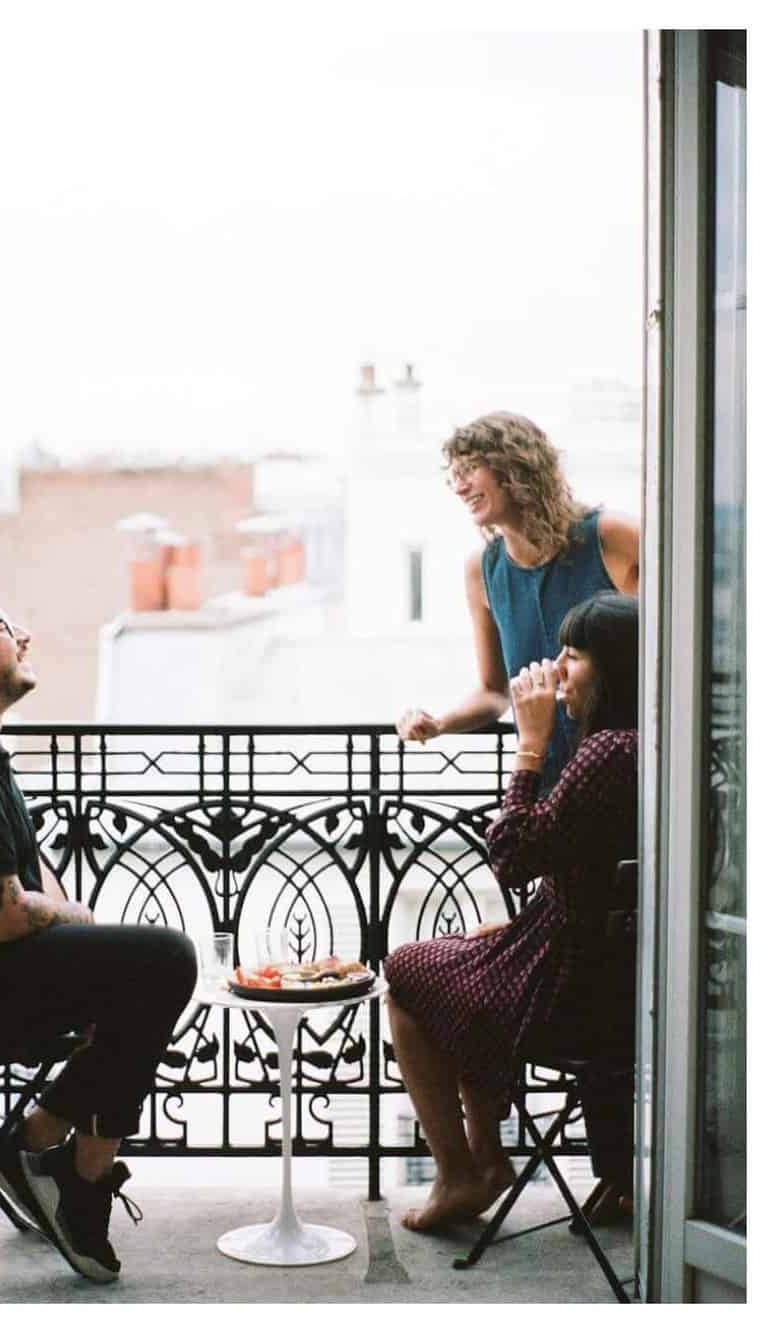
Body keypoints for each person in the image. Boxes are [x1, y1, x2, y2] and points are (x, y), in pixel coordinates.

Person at [0, 583, 198, 1283]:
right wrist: (89, 927)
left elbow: (30, 886)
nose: (24, 634)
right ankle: (76, 1170)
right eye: (4, 626)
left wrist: (88, 942)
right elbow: (3, 913)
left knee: (141, 971)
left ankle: (40, 1144)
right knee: (166, 959)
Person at [383, 591, 640, 1232]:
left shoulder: (609, 752)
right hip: (594, 960)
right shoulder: (641, 746)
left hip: (575, 990)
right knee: (463, 955)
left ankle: (466, 1170)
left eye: (572, 655)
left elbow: (513, 856)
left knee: (406, 975)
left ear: (611, 669)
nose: (555, 669)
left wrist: (530, 746)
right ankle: (483, 1159)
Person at [396, 412, 639, 791]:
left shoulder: (609, 536)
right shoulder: (483, 568)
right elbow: (495, 692)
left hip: (623, 781)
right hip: (545, 786)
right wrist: (439, 723)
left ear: (516, 468)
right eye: (455, 475)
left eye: (471, 469)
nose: (459, 488)